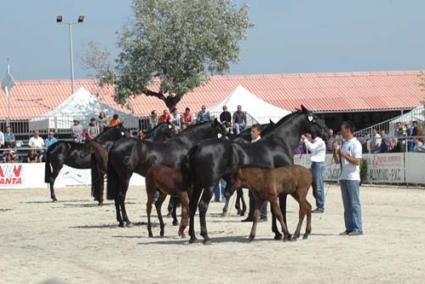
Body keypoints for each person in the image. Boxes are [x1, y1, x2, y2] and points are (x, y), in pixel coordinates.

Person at [333, 121, 363, 236]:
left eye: (342, 130)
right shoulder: (344, 144)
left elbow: (357, 161)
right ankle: (349, 228)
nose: (341, 132)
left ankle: (358, 228)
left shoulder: (356, 144)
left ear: (348, 130)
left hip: (352, 177)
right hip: (344, 177)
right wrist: (335, 152)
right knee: (347, 205)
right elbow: (337, 161)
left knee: (355, 203)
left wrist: (345, 155)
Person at [242, 124, 268, 222]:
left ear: (258, 132)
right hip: (251, 172)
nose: (251, 133)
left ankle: (263, 215)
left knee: (262, 194)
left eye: (253, 131)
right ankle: (251, 215)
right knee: (251, 194)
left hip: (260, 172)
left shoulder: (262, 143)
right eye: (251, 131)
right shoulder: (250, 142)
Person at [302, 130, 326, 213]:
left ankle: (320, 206)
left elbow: (311, 148)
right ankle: (319, 205)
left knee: (318, 186)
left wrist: (305, 139)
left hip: (318, 164)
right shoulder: (314, 141)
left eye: (308, 135)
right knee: (316, 186)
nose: (307, 137)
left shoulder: (319, 141)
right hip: (315, 164)